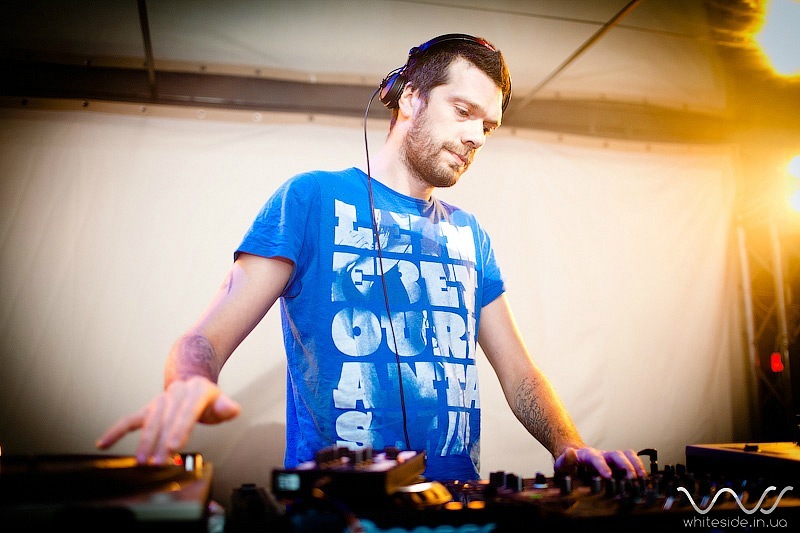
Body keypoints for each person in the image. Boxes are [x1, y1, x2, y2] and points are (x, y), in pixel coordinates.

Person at [96, 33, 647, 483]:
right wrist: (190, 379)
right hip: (338, 509)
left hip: (454, 507)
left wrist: (568, 444)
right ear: (410, 99)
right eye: (463, 111)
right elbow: (205, 337)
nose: (477, 136)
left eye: (488, 126)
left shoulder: (471, 235)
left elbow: (520, 373)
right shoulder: (311, 198)